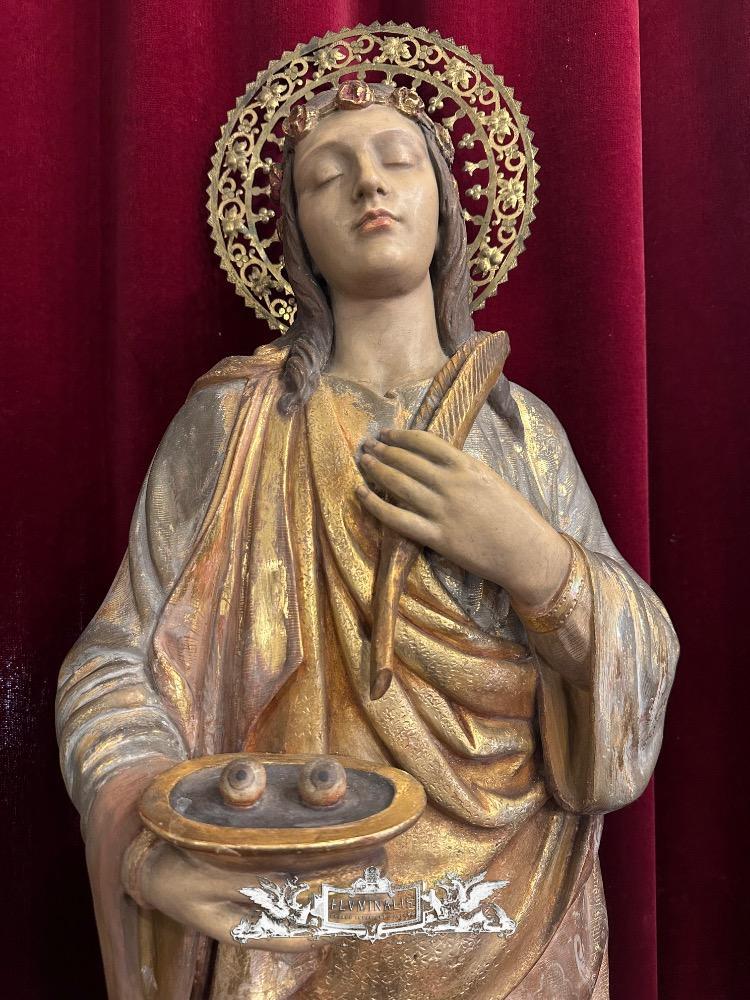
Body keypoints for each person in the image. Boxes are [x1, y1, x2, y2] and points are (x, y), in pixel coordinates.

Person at [56, 77, 678, 999]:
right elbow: (114, 664)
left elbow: (641, 668)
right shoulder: (237, 426)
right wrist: (149, 846)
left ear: (447, 206)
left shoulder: (523, 435)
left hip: (514, 916)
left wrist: (538, 563)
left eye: (398, 161)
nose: (368, 186)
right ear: (298, 235)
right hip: (298, 918)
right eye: (326, 175)